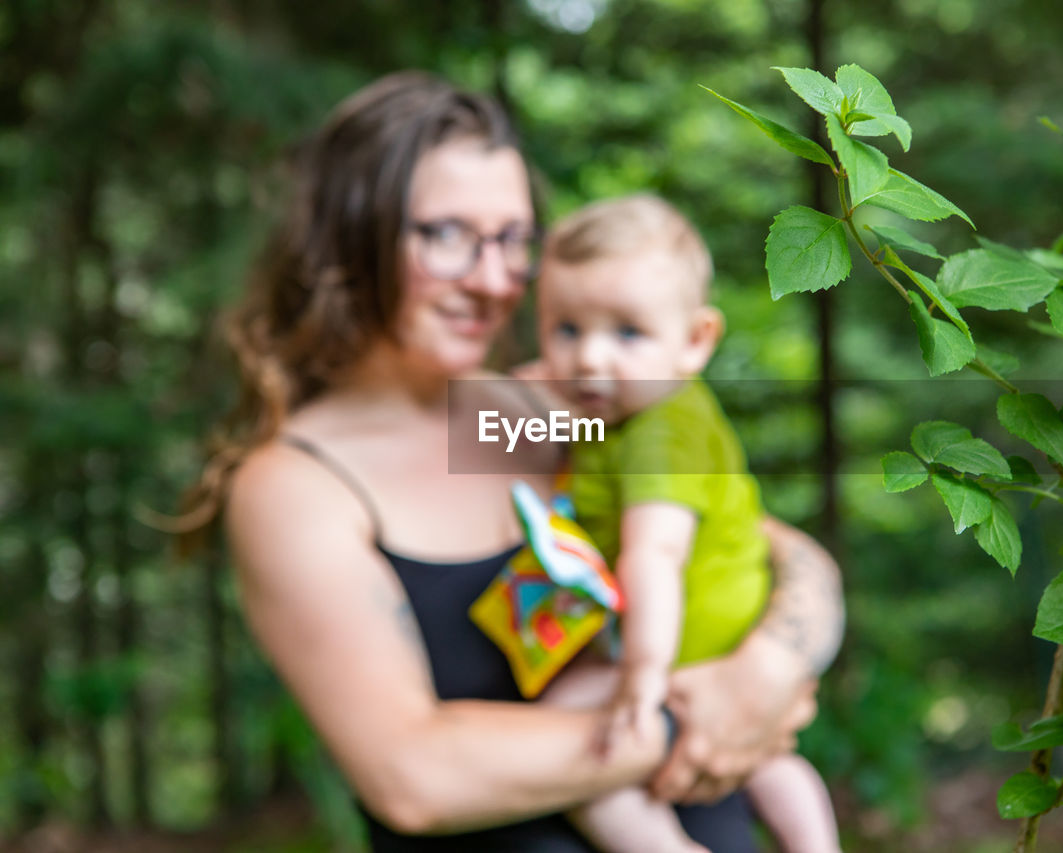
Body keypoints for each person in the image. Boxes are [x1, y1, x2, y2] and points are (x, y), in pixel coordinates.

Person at [187, 71, 845, 851]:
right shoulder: (300, 485)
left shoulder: (549, 409)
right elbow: (414, 778)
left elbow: (769, 547)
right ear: (352, 233)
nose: (495, 280)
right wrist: (695, 718)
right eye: (449, 235)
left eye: (511, 240)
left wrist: (769, 667)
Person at [533, 195, 842, 853]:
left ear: (696, 340)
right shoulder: (635, 408)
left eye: (626, 333)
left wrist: (640, 678)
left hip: (681, 647)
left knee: (562, 729)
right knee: (769, 762)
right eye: (566, 329)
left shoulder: (659, 431)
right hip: (722, 633)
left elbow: (655, 554)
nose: (590, 357)